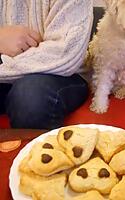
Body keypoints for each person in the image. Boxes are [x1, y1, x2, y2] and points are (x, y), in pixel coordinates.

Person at [0, 0, 93, 129]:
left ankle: (43, 148)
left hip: (62, 73)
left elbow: (64, 53)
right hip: (7, 71)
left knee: (30, 97)